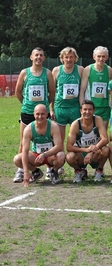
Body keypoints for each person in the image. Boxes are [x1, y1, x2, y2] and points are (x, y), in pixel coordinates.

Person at [14, 47, 55, 183]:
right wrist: (27, 105)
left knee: (49, 140)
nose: (38, 57)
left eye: (41, 55)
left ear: (44, 58)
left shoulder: (47, 73)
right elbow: (18, 92)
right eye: (36, 55)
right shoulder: (24, 73)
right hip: (27, 112)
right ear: (31, 57)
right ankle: (21, 170)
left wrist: (43, 107)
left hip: (43, 113)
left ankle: (50, 168)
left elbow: (52, 93)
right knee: (23, 141)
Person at [50, 47, 84, 177]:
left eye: (71, 57)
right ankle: (59, 166)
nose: (69, 59)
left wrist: (82, 108)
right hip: (60, 108)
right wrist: (51, 109)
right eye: (66, 57)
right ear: (62, 58)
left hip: (75, 108)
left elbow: (83, 89)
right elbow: (52, 92)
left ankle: (79, 164)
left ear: (75, 58)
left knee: (76, 139)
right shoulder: (57, 70)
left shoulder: (80, 70)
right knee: (60, 139)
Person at [13, 104, 64, 186]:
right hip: (36, 155)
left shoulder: (53, 126)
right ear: (34, 114)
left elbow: (59, 146)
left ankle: (54, 172)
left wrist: (45, 154)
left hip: (50, 155)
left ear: (47, 114)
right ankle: (36, 172)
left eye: (42, 114)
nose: (40, 116)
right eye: (37, 114)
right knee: (17, 159)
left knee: (61, 156)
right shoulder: (28, 129)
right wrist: (25, 172)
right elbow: (25, 150)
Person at [66, 100, 110, 183]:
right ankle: (79, 171)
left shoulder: (97, 119)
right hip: (81, 154)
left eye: (90, 109)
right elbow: (69, 147)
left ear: (94, 111)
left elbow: (105, 139)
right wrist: (86, 150)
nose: (87, 112)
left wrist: (91, 152)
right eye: (85, 109)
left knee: (105, 150)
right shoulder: (75, 124)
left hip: (94, 153)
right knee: (69, 157)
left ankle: (99, 170)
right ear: (81, 111)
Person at [79, 46, 112, 129]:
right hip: (91, 107)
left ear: (107, 57)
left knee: (103, 134)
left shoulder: (109, 70)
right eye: (99, 56)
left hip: (105, 107)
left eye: (103, 56)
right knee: (91, 133)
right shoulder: (88, 69)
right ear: (94, 57)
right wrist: (82, 107)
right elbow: (82, 90)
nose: (101, 59)